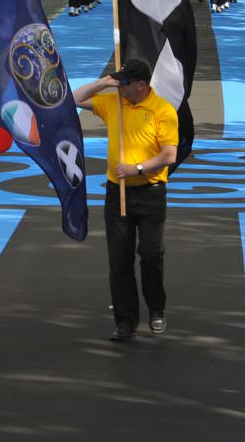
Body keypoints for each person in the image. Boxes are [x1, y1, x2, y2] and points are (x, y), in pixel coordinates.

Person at [73, 59, 178, 341]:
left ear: (141, 85)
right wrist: (104, 82)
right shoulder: (113, 103)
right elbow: (75, 99)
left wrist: (138, 168)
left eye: (125, 83)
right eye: (119, 82)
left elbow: (169, 155)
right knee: (119, 260)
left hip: (150, 193)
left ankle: (156, 309)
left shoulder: (162, 111)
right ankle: (125, 320)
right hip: (116, 193)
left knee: (150, 254)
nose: (121, 86)